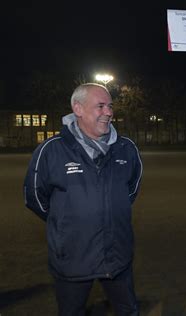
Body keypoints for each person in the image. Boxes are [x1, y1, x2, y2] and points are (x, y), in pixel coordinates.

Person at [23, 83, 143, 315]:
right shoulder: (51, 151)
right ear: (77, 108)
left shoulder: (126, 149)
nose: (109, 112)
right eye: (100, 106)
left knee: (128, 310)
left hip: (117, 256)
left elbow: (132, 188)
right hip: (73, 257)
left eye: (109, 106)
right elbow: (35, 197)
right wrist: (66, 222)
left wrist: (108, 210)